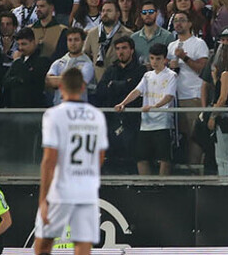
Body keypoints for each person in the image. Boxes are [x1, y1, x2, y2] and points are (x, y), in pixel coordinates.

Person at [34, 66, 108, 255]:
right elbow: (100, 156)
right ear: (83, 87)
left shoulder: (54, 115)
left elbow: (49, 159)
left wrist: (43, 199)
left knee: (43, 242)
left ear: (61, 87)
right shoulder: (97, 116)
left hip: (61, 188)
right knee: (83, 245)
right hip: (87, 189)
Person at [114, 41, 176, 176]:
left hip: (162, 123)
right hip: (146, 124)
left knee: (164, 158)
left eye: (158, 58)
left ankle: (162, 187)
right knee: (141, 158)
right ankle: (145, 186)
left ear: (165, 59)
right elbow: (136, 91)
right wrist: (123, 103)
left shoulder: (171, 75)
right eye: (152, 58)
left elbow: (169, 96)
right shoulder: (147, 76)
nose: (154, 62)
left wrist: (154, 107)